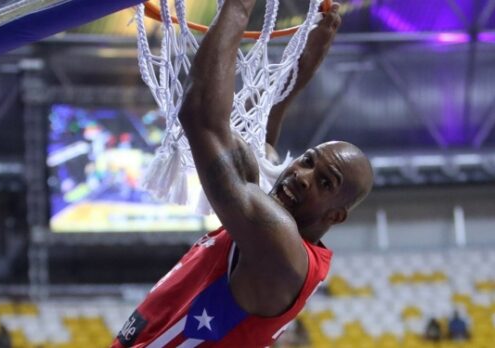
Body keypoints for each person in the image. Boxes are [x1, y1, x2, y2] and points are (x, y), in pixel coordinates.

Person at [112, 1, 373, 347]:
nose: (302, 175)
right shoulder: (279, 229)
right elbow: (262, 136)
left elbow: (201, 117)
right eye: (307, 160)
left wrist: (237, 7)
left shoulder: (280, 249)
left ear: (336, 215)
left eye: (325, 183)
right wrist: (310, 53)